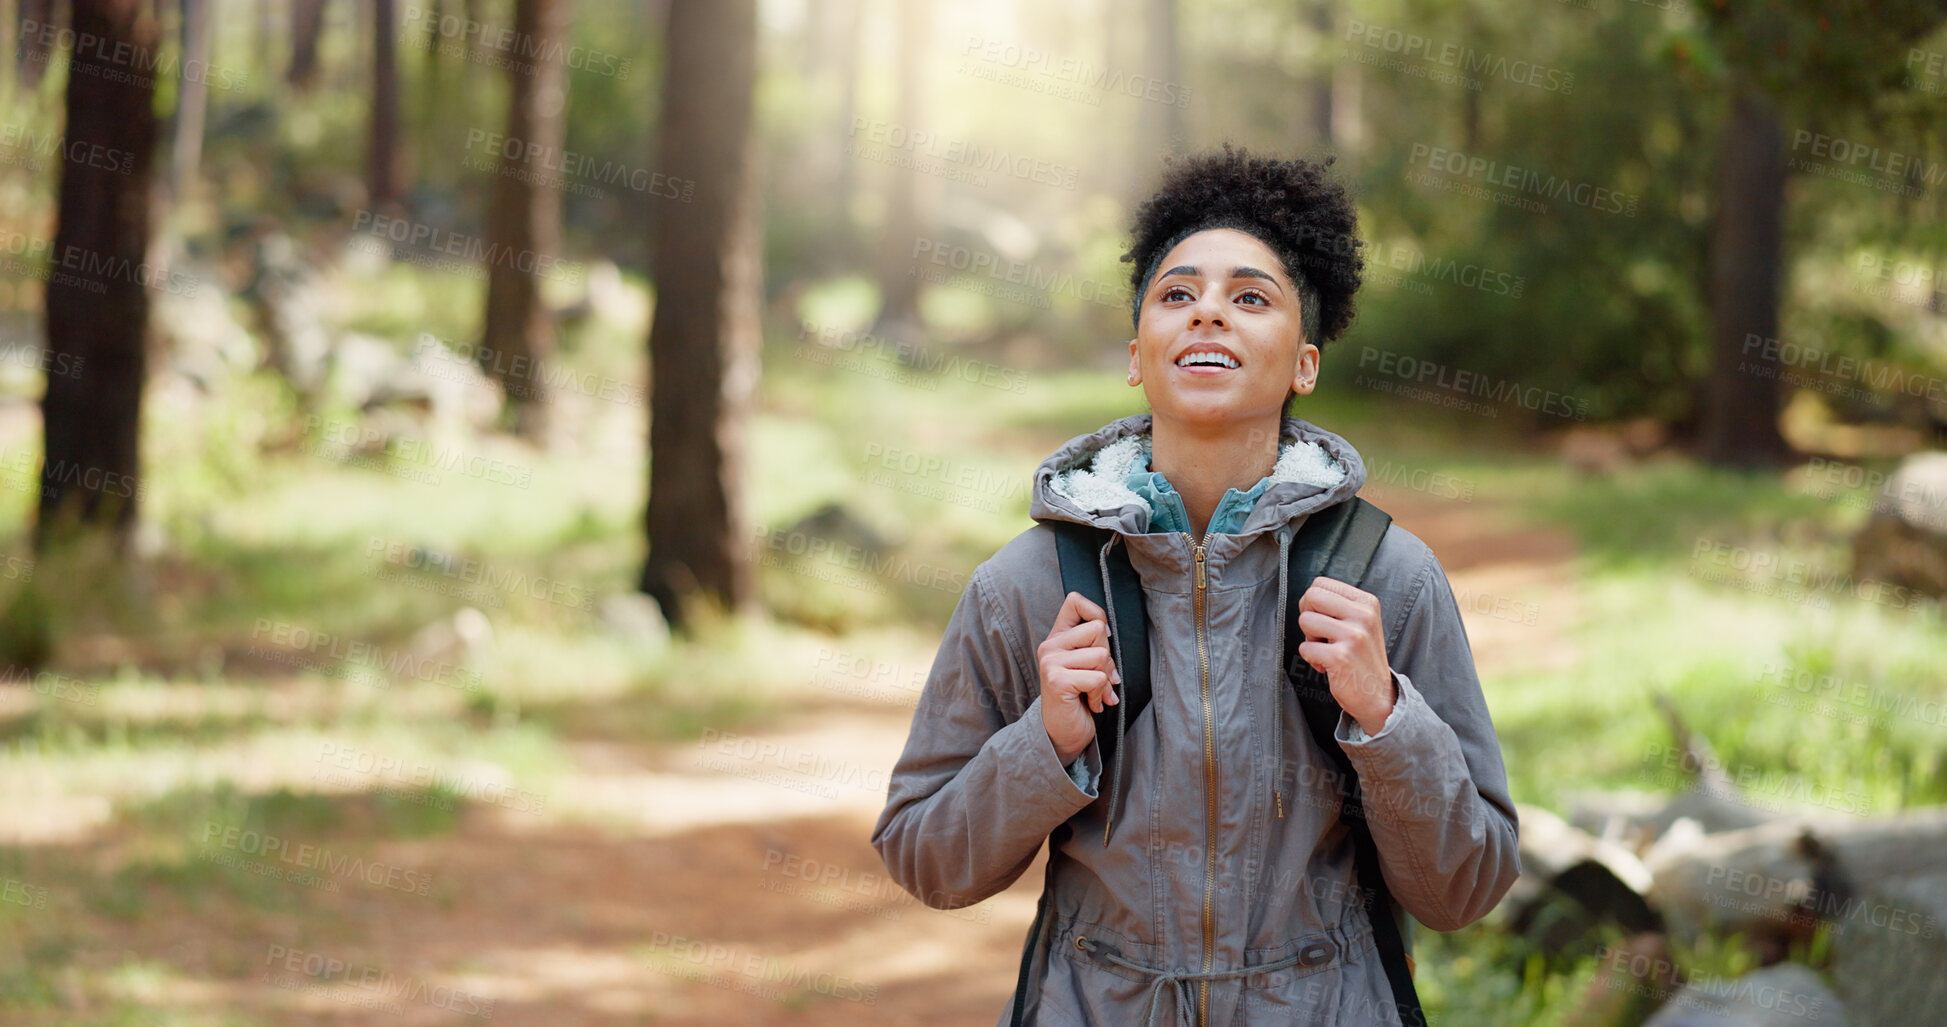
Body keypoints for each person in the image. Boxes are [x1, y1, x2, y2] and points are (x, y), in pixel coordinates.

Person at [870, 144, 1520, 1026]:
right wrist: (1045, 740)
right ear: (1139, 355)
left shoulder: (1386, 579)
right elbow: (926, 858)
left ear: (1305, 363)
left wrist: (1387, 718)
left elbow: (1465, 888)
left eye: (1250, 297)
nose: (1208, 312)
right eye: (1177, 294)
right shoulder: (1029, 584)